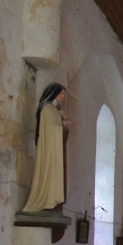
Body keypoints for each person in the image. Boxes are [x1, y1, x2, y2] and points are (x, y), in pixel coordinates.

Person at [22, 83, 71, 213]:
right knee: (48, 172)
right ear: (54, 94)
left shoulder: (54, 109)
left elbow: (55, 125)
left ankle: (50, 200)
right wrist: (62, 125)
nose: (63, 96)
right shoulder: (47, 108)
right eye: (61, 94)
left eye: (63, 94)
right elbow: (49, 128)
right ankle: (44, 200)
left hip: (54, 148)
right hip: (49, 149)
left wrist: (62, 122)